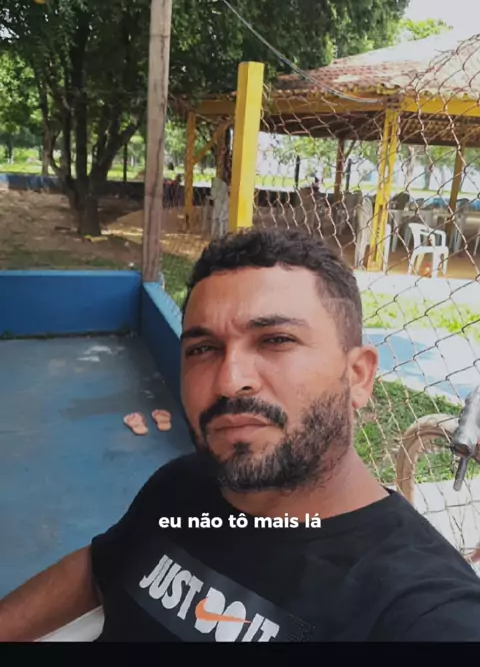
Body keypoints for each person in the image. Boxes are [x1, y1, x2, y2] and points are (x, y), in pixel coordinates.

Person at [2, 228, 480, 643]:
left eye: (276, 340)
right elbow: (100, 569)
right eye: (203, 349)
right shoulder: (182, 485)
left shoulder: (420, 608)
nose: (229, 381)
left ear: (358, 376)